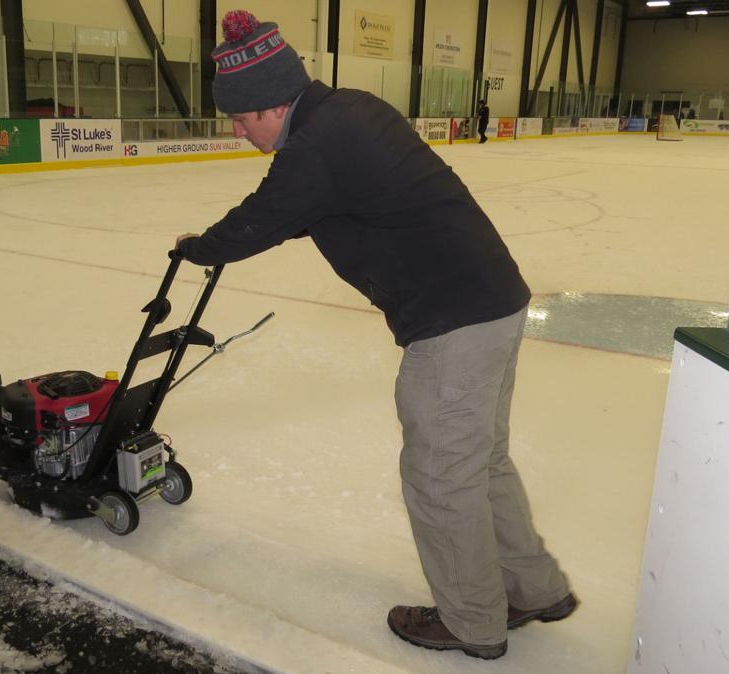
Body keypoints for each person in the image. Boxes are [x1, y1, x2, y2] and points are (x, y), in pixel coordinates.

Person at [174, 10, 575, 661]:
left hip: (452, 323)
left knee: (442, 475)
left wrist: (200, 248)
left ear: (272, 105)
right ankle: (534, 586)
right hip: (493, 301)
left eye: (242, 118)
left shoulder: (313, 149)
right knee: (482, 461)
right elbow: (342, 199)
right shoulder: (352, 111)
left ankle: (474, 620)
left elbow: (264, 217)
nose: (238, 130)